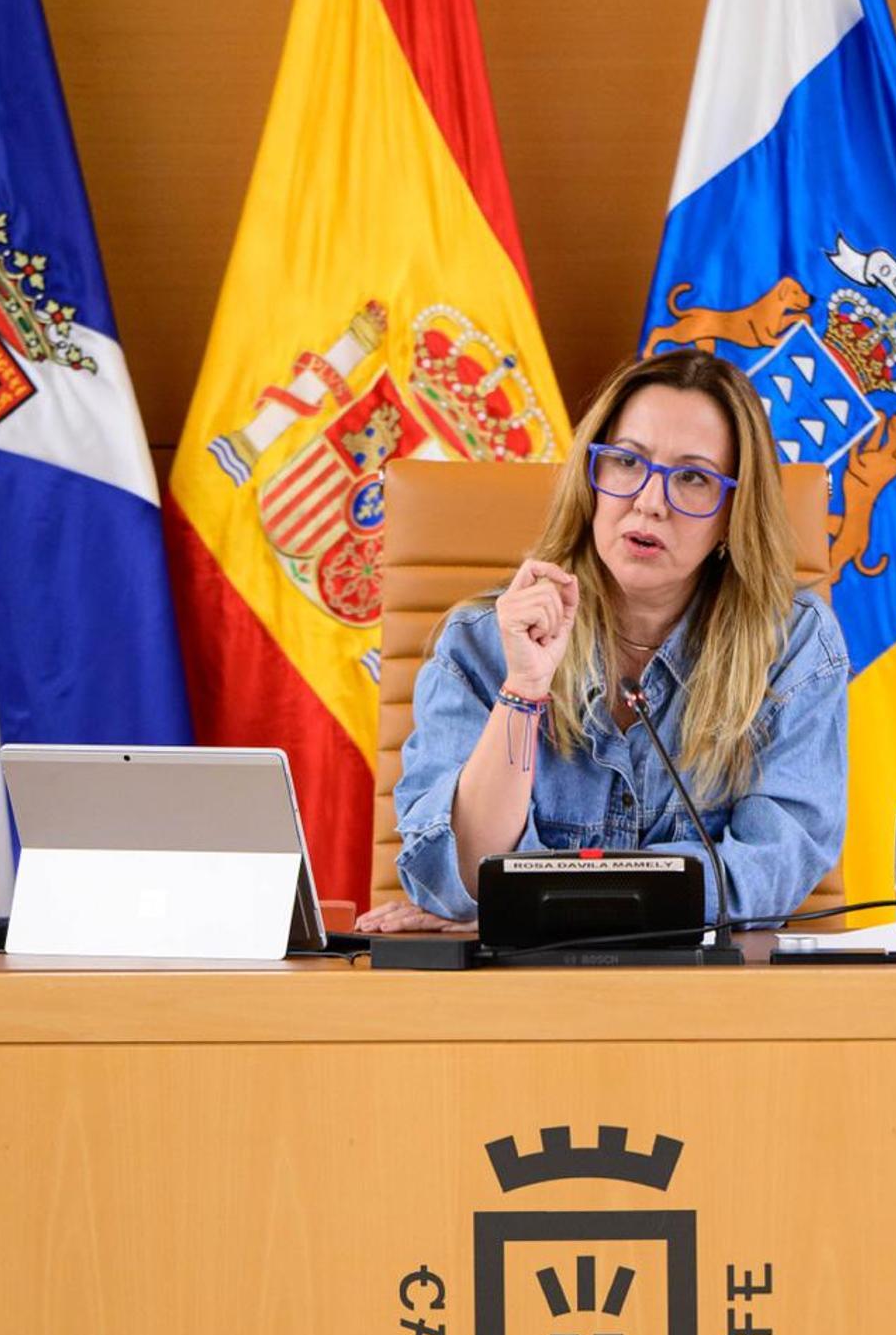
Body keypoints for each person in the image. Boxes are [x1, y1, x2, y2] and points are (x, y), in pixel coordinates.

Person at [358, 348, 849, 934]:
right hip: (516, 1005)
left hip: (713, 1004)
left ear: (733, 512)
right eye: (625, 462)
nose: (648, 501)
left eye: (692, 478)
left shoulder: (791, 644)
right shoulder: (483, 643)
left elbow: (770, 871)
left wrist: (542, 908)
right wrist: (525, 687)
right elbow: (461, 876)